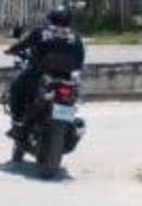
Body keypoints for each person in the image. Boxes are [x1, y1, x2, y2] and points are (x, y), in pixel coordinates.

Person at [5, 8, 86, 139]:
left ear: (51, 19)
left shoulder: (42, 32)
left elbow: (22, 45)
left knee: (16, 88)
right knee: (74, 98)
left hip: (39, 74)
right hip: (66, 78)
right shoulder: (75, 37)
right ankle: (70, 127)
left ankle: (18, 123)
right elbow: (80, 62)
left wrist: (11, 50)